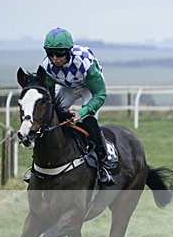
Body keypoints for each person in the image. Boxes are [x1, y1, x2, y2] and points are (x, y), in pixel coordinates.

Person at [35, 27, 116, 185]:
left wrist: (81, 112)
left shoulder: (84, 63)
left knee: (88, 121)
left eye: (59, 54)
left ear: (69, 52)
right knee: (51, 117)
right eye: (50, 53)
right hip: (68, 87)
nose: (55, 58)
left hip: (89, 88)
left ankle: (102, 164)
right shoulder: (47, 66)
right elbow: (49, 98)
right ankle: (42, 166)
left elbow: (100, 94)